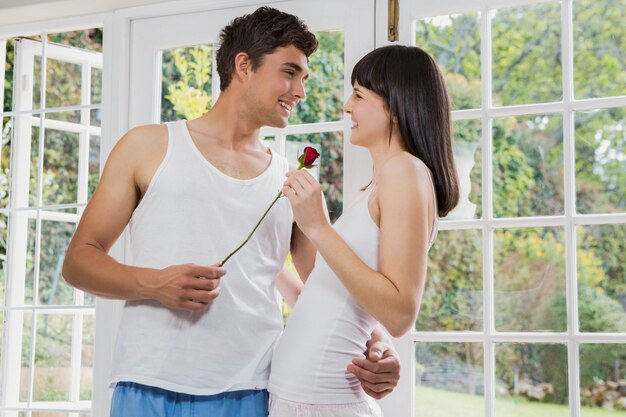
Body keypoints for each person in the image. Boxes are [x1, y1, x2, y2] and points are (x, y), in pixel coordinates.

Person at [62, 7, 400, 417]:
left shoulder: (291, 181)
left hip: (251, 390)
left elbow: (325, 289)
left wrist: (378, 340)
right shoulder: (147, 147)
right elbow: (80, 260)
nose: (300, 92)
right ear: (244, 65)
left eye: (303, 79)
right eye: (289, 73)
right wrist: (153, 284)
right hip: (147, 384)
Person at [267, 45, 460, 417]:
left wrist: (319, 227)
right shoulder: (379, 184)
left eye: (358, 94)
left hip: (323, 402)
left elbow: (401, 313)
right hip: (303, 399)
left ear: (396, 107)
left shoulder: (405, 171)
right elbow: (327, 296)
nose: (346, 106)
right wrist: (269, 262)